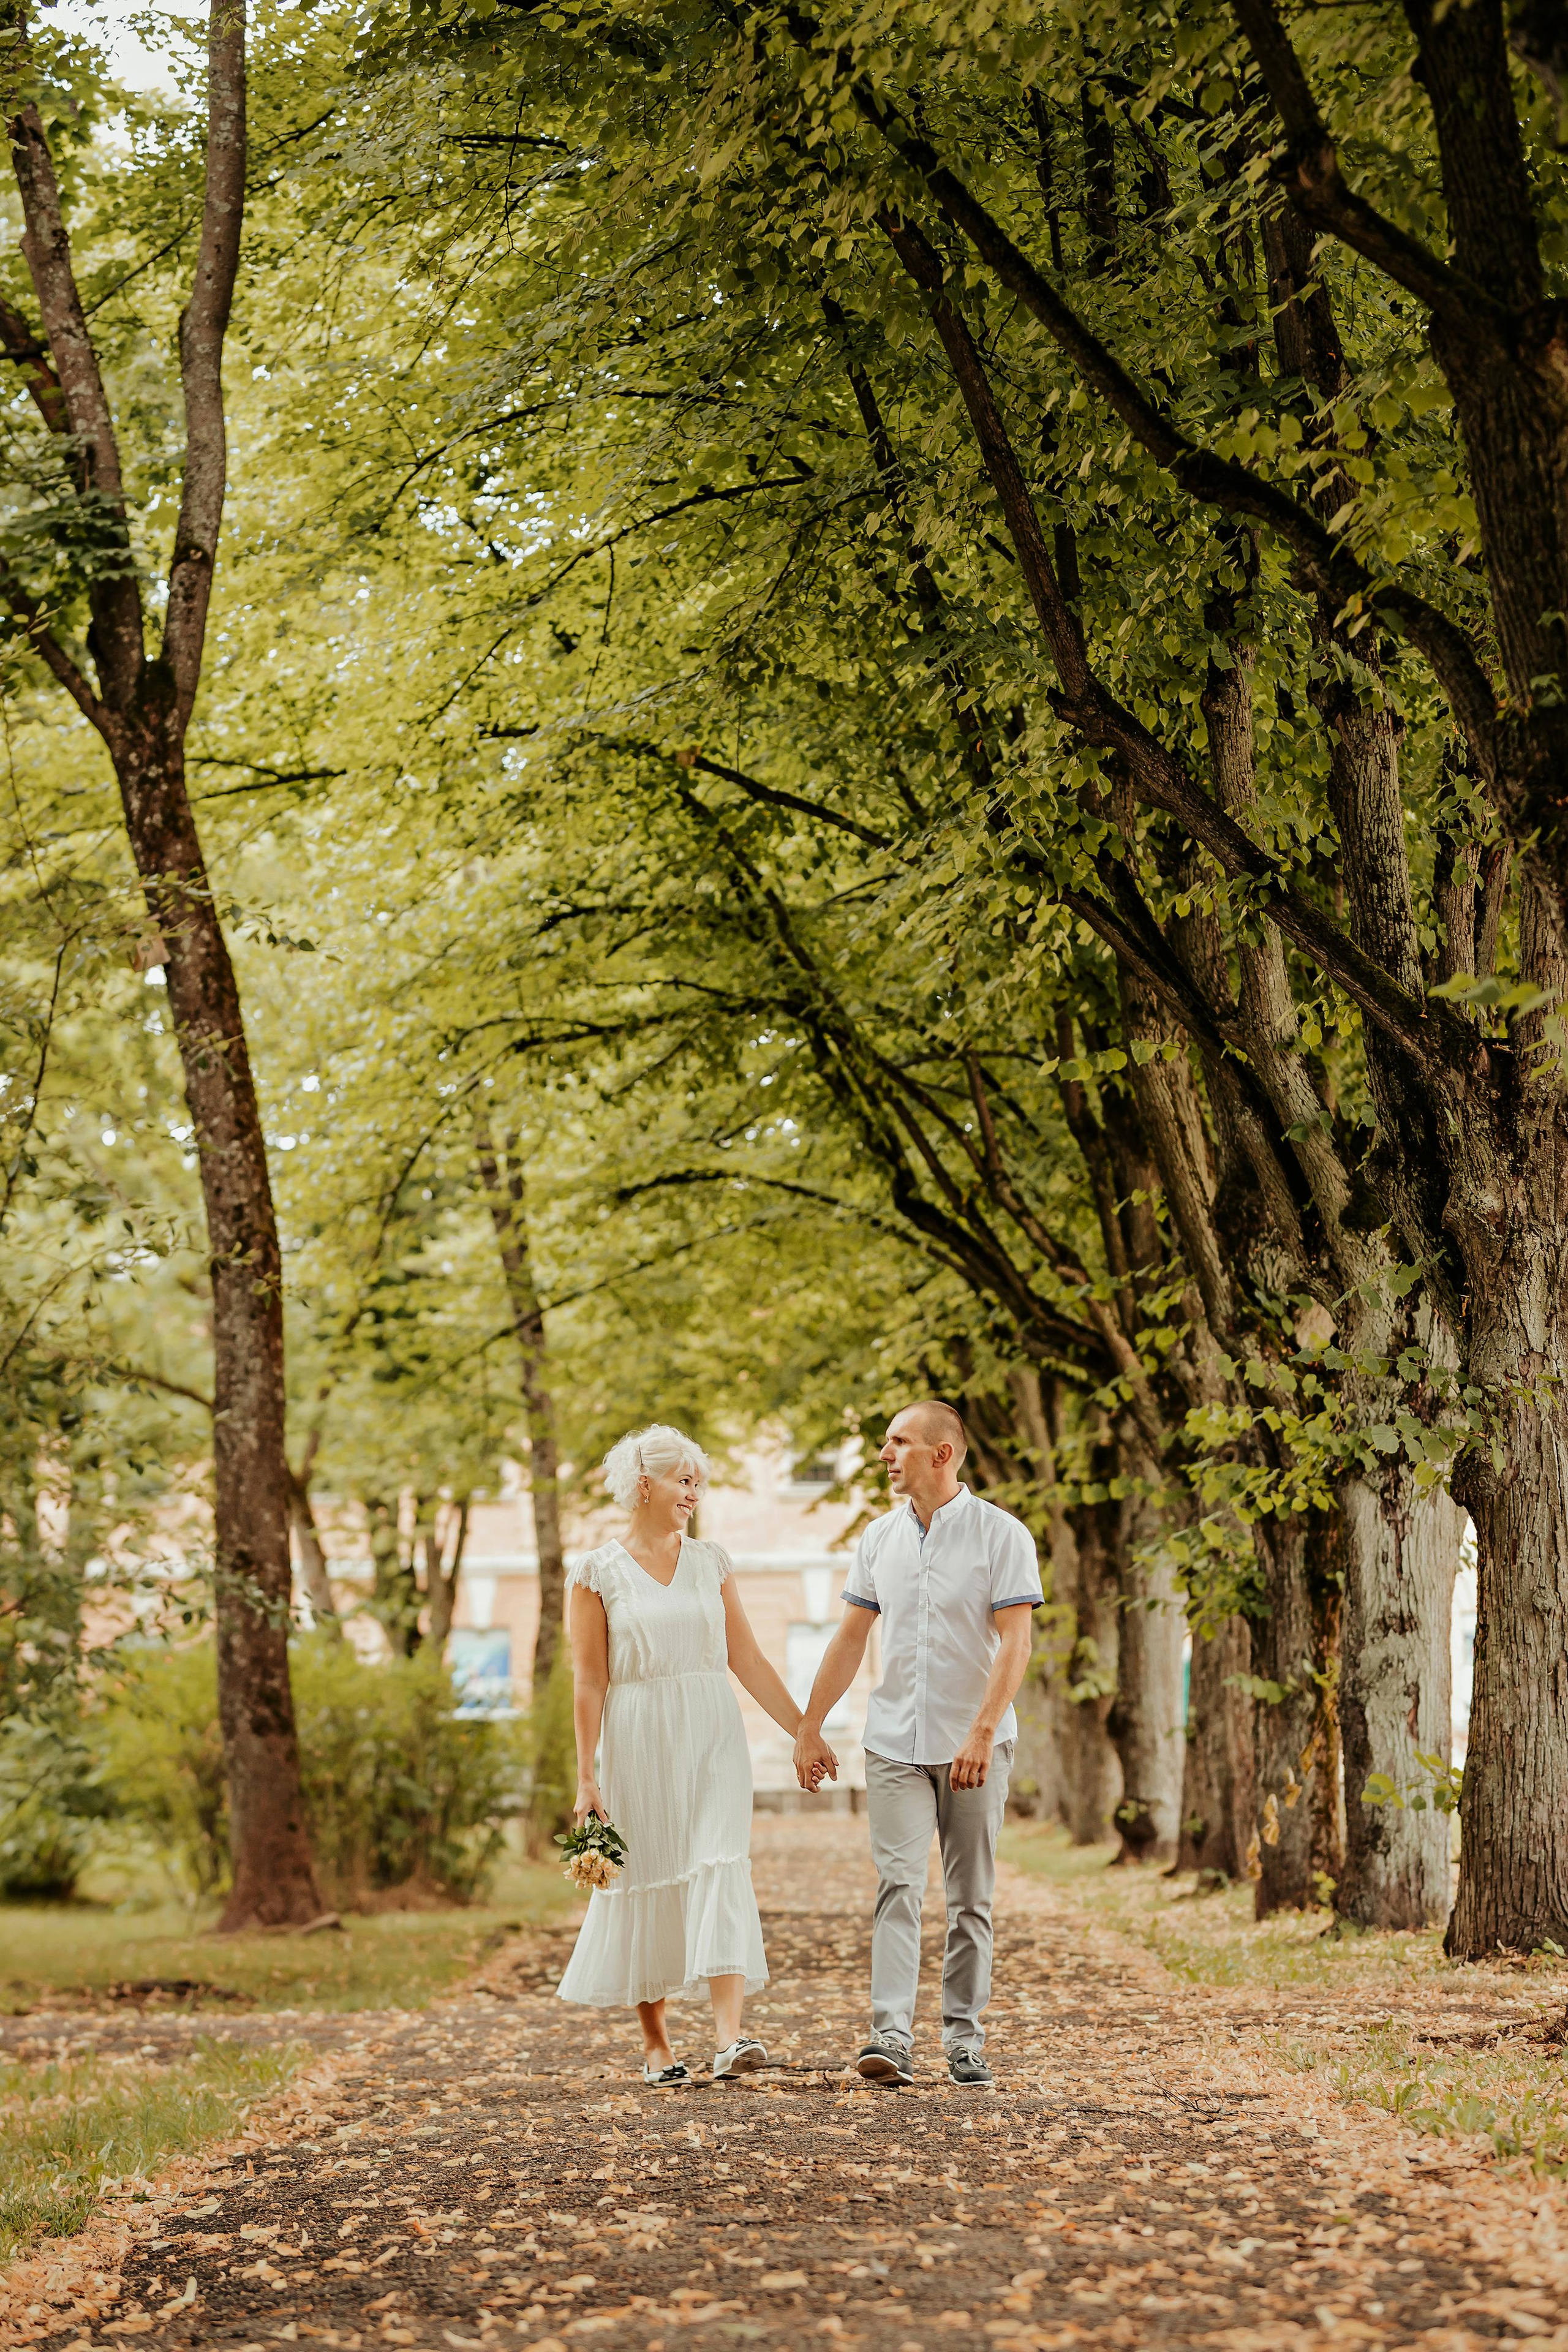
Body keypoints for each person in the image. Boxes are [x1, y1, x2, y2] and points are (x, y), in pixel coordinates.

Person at [557, 1422, 820, 2084]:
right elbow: (589, 1680)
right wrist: (585, 1776)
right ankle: (656, 2044)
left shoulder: (711, 1562)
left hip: (711, 1732)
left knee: (720, 1861)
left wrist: (803, 1730)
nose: (693, 1492)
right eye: (683, 1480)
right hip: (638, 1734)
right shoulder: (596, 1572)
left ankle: (731, 2038)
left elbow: (748, 1658)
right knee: (647, 1874)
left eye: (698, 1482)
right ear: (644, 1484)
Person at [793, 1400, 1041, 2087]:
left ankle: (963, 2039)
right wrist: (810, 1725)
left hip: (975, 1746)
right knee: (898, 1885)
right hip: (894, 1742)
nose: (884, 1455)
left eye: (898, 1442)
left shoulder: (1002, 1536)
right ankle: (890, 2037)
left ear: (943, 1454)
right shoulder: (877, 1540)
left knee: (969, 1897)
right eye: (884, 1443)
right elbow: (849, 1639)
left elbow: (1016, 1641)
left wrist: (982, 1732)